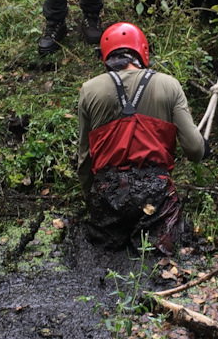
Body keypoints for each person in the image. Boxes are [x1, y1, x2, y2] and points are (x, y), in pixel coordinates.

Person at [77, 22, 209, 254]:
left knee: (104, 258)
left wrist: (92, 201)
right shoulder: (169, 85)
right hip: (157, 196)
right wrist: (203, 148)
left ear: (105, 56)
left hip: (108, 196)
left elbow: (85, 158)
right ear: (143, 51)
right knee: (161, 260)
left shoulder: (89, 90)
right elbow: (195, 150)